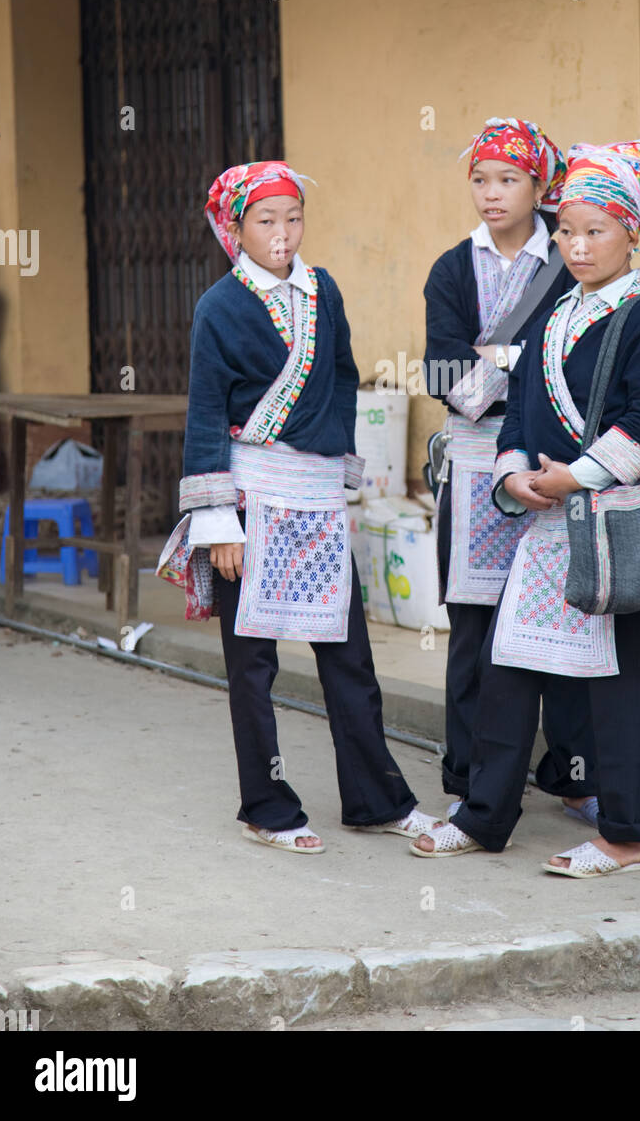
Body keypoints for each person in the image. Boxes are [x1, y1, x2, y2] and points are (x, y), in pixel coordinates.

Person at [412, 139, 640, 872]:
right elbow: (517, 412)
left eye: (596, 231)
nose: (577, 247)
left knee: (622, 683)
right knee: (509, 667)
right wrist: (516, 472)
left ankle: (628, 834)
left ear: (633, 234)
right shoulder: (554, 318)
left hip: (614, 531)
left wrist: (574, 477)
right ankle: (485, 815)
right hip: (546, 528)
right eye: (568, 232)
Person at [157, 161, 440, 853]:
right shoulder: (218, 309)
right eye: (265, 220)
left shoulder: (324, 293)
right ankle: (268, 805)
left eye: (293, 218)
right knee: (253, 665)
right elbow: (204, 418)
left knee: (347, 655)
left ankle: (376, 798)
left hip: (313, 500)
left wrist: (330, 465)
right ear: (235, 229)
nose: (282, 233)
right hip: (250, 504)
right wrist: (218, 522)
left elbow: (342, 378)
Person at [423, 118, 595, 825]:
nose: (490, 195)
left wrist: (490, 359)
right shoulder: (451, 269)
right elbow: (447, 380)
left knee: (567, 620)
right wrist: (518, 361)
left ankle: (574, 772)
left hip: (557, 460)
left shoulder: (571, 254)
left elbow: (583, 358)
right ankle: (471, 777)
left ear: (539, 185)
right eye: (480, 179)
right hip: (472, 467)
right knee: (475, 627)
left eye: (509, 180)